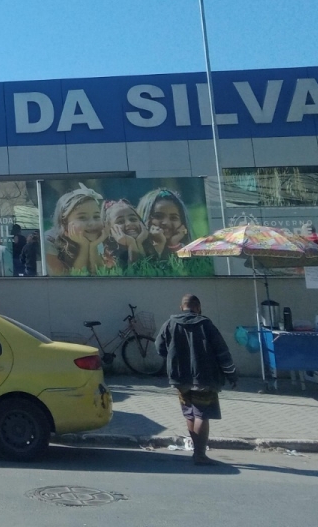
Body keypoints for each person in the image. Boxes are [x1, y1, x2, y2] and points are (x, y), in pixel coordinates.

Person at [155, 294, 237, 466]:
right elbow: (222, 352)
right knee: (201, 415)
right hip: (204, 377)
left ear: (181, 307)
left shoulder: (170, 323)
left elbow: (159, 346)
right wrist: (231, 373)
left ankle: (196, 451)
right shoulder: (206, 324)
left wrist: (173, 359)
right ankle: (200, 454)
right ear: (198, 307)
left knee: (190, 414)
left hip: (180, 379)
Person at [46, 186, 105, 275]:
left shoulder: (100, 238)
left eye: (96, 216)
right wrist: (84, 247)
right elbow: (72, 280)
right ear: (64, 222)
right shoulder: (49, 241)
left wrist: (93, 247)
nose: (92, 223)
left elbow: (100, 275)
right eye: (82, 217)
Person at [137, 188, 191, 260]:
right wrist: (158, 246)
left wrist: (174, 245)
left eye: (173, 218)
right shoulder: (135, 250)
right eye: (158, 216)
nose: (166, 222)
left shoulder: (192, 252)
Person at [104, 199, 148, 269]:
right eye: (120, 221)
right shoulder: (107, 258)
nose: (129, 223)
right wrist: (131, 244)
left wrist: (138, 243)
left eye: (133, 219)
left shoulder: (153, 248)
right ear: (109, 229)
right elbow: (137, 272)